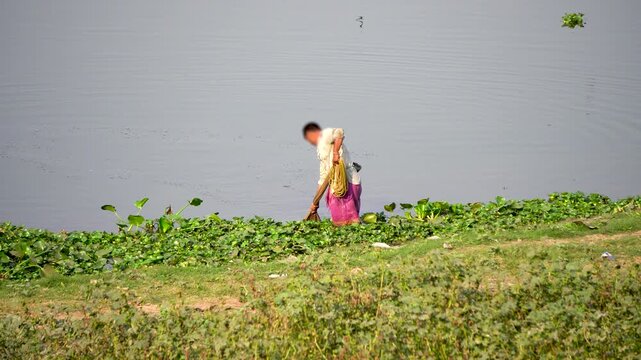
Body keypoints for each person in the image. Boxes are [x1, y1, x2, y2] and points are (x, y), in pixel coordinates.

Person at [303, 122, 362, 225]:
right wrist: (315, 203)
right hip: (338, 185)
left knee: (350, 221)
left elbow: (339, 132)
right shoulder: (321, 152)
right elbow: (323, 180)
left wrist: (335, 153)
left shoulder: (325, 135)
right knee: (346, 222)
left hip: (348, 182)